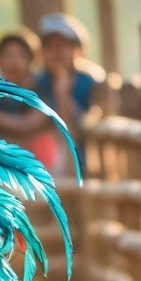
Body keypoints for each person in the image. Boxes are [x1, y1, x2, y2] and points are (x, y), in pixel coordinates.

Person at [0, 28, 60, 171]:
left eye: (21, 55)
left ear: (31, 59)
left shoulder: (43, 88)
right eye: (8, 55)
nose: (14, 62)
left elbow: (30, 124)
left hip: (43, 165)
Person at [35, 13, 105, 167]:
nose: (56, 52)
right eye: (49, 47)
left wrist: (64, 96)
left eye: (61, 45)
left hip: (84, 159)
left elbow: (90, 121)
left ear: (77, 49)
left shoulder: (91, 81)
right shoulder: (40, 81)